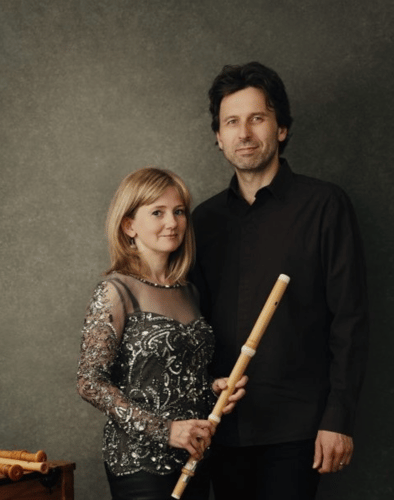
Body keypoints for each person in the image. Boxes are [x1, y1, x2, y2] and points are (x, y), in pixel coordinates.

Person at [190, 62, 369, 500]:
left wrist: (338, 418)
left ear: (281, 128)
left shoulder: (324, 205)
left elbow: (350, 320)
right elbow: (195, 326)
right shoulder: (202, 221)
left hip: (298, 428)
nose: (244, 133)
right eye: (232, 122)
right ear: (218, 137)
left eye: (257, 118)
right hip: (221, 426)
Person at [77, 167, 248, 500]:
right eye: (158, 212)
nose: (172, 222)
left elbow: (176, 377)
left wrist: (214, 387)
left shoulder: (189, 291)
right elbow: (89, 382)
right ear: (129, 225)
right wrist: (164, 430)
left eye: (179, 211)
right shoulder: (115, 291)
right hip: (139, 462)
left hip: (194, 455)